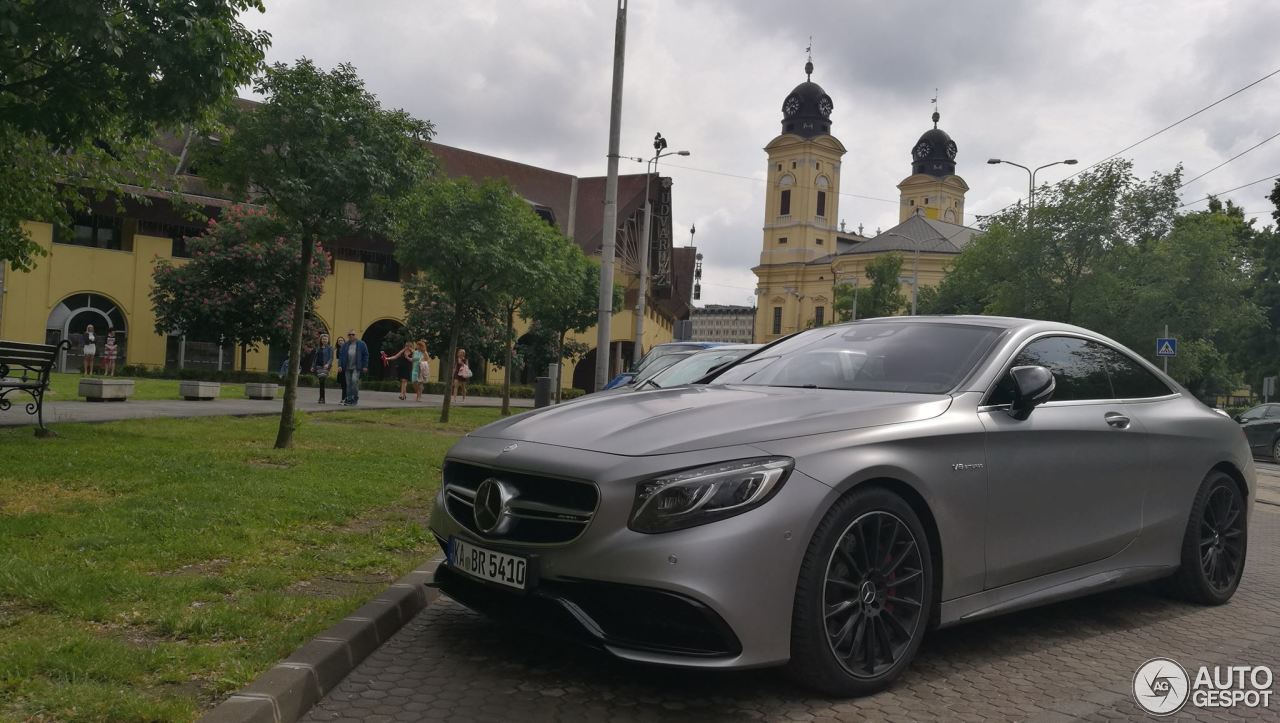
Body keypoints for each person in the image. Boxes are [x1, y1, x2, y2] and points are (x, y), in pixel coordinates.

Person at [338, 329, 369, 405]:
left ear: (356, 335)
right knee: (348, 384)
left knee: (354, 381)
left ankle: (354, 398)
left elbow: (366, 355)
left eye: (353, 334)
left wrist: (365, 366)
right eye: (349, 335)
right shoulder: (345, 345)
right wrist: (340, 366)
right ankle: (349, 399)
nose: (351, 336)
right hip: (347, 367)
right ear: (347, 336)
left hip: (356, 367)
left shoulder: (361, 344)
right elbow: (341, 356)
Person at [311, 332, 334, 404]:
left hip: (325, 367)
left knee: (322, 381)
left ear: (328, 340)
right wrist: (312, 366)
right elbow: (315, 358)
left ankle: (322, 398)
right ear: (321, 340)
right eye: (323, 339)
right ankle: (321, 398)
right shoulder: (318, 348)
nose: (324, 340)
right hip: (318, 366)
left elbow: (331, 358)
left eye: (326, 339)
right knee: (321, 381)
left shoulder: (330, 348)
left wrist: (328, 364)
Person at [335, 336, 348, 403]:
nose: (340, 341)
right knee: (343, 384)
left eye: (341, 340)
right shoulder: (337, 350)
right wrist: (339, 366)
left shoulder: (346, 349)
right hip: (340, 369)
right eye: (339, 340)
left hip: (346, 368)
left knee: (345, 384)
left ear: (344, 341)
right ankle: (344, 398)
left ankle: (344, 399)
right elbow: (338, 359)